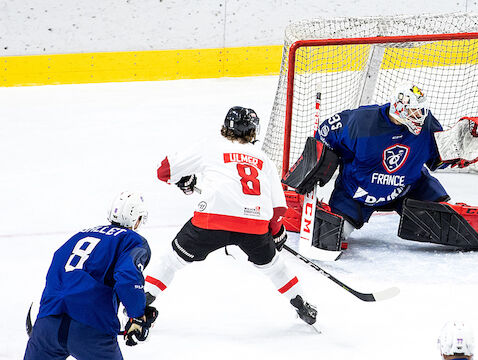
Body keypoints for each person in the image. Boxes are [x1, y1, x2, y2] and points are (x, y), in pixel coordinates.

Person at [283, 83, 478, 253]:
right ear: (400, 107)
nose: (420, 116)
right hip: (357, 193)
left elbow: (435, 159)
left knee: (447, 221)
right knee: (331, 236)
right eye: (415, 111)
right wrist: (316, 164)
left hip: (409, 186)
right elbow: (324, 134)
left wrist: (458, 154)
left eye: (421, 111)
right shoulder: (360, 121)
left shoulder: (427, 124)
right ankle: (298, 210)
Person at [144, 106, 317, 325]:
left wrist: (182, 179)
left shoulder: (210, 146)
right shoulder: (263, 158)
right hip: (254, 226)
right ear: (253, 131)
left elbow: (164, 171)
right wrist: (276, 231)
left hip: (211, 222)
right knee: (275, 267)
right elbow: (278, 210)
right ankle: (302, 305)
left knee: (172, 261)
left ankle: (141, 303)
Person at [24, 191, 157, 360]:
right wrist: (137, 315)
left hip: (48, 322)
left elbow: (55, 270)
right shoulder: (132, 240)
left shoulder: (79, 236)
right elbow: (128, 277)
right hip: (91, 326)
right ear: (136, 220)